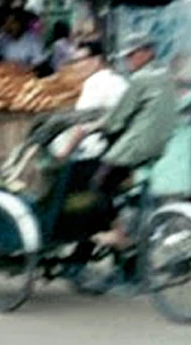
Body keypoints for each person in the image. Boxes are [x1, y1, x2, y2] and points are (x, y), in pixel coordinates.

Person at [65, 36, 178, 247]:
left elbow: (117, 117)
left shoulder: (139, 79)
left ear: (147, 52)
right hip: (159, 142)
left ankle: (119, 234)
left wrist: (95, 127)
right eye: (127, 57)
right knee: (117, 183)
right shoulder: (162, 75)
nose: (129, 61)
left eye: (132, 55)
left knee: (99, 184)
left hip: (137, 143)